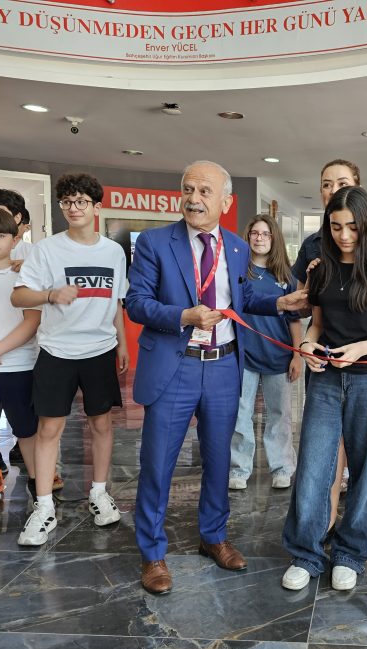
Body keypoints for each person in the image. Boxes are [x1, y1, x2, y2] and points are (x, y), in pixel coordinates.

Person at [126, 160, 308, 595]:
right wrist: (183, 316)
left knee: (219, 460)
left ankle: (213, 536)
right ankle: (152, 554)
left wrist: (279, 305)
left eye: (205, 191)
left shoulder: (237, 248)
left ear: (225, 202)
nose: (194, 199)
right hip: (176, 365)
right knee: (158, 463)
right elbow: (136, 303)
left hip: (225, 366)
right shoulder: (154, 243)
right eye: (188, 189)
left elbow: (240, 298)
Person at [282, 186, 367, 592]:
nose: (344, 235)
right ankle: (306, 553)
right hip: (325, 378)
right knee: (313, 467)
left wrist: (360, 350)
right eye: (336, 227)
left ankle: (350, 553)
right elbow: (317, 324)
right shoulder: (321, 268)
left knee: (366, 471)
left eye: (352, 227)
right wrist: (306, 345)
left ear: (366, 224)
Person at [12, 173, 130, 546]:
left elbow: (117, 302)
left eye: (81, 201)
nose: (73, 208)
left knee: (102, 424)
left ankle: (99, 493)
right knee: (49, 429)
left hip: (100, 350)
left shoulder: (113, 252)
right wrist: (50, 295)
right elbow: (18, 297)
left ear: (97, 207)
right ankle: (44, 507)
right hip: (56, 351)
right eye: (67, 202)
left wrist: (122, 344)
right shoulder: (47, 249)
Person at [229, 214, 302, 490]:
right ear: (248, 237)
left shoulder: (286, 277)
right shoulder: (238, 274)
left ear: (274, 239)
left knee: (279, 415)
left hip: (278, 357)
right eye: (255, 233)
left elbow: (294, 320)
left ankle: (282, 467)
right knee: (240, 413)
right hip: (244, 357)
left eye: (265, 234)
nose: (259, 238)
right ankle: (239, 469)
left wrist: (297, 355)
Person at [0, 209, 40, 508]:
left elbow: (31, 322)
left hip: (19, 366)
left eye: (0, 234)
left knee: (26, 429)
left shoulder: (24, 276)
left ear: (14, 240)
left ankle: (39, 484)